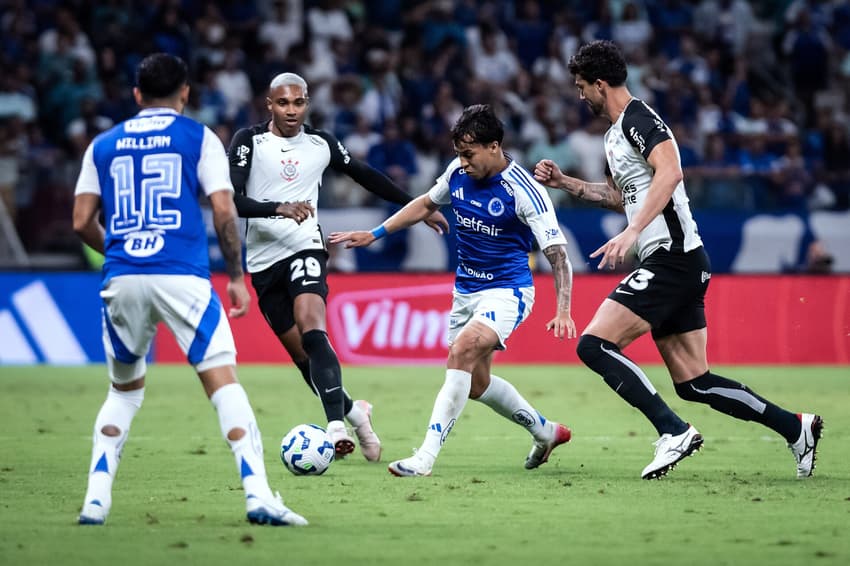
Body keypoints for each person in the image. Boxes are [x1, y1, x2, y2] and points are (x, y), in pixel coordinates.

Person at [533, 40, 823, 480]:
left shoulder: (639, 118)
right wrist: (566, 183)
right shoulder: (613, 135)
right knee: (695, 382)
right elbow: (620, 197)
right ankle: (796, 427)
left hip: (673, 257)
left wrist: (631, 233)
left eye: (581, 87)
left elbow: (670, 172)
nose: (579, 96)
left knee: (593, 345)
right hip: (678, 261)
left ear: (600, 83)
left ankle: (672, 432)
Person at [72, 53, 306, 526]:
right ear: (185, 93)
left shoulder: (102, 143)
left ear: (136, 94)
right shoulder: (199, 137)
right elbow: (223, 211)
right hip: (182, 274)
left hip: (122, 273)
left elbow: (80, 222)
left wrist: (119, 251)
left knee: (123, 391)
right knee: (223, 384)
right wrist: (237, 277)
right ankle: (258, 495)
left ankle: (96, 499)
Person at [330, 104, 576, 477]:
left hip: (508, 291)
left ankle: (424, 458)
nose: (462, 162)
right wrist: (375, 233)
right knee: (476, 385)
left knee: (461, 352)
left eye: (469, 153)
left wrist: (563, 310)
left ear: (494, 146)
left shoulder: (526, 191)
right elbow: (425, 204)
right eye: (459, 153)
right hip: (465, 292)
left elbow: (558, 256)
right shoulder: (457, 172)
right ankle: (545, 432)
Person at [227, 72, 449, 461]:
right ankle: (356, 414)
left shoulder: (321, 143)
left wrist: (419, 207)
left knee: (313, 327)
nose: (291, 110)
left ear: (307, 102)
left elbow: (365, 175)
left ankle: (334, 428)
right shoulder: (249, 141)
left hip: (306, 247)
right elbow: (232, 198)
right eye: (283, 103)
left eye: (298, 102)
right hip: (263, 262)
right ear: (269, 104)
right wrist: (277, 208)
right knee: (302, 360)